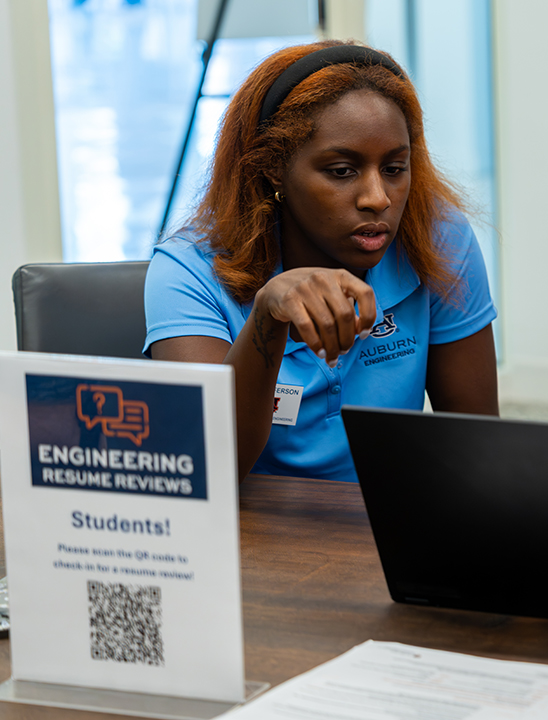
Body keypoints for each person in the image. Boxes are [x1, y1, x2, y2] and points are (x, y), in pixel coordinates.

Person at [144, 41, 497, 483]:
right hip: (250, 530)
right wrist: (267, 322)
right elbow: (206, 471)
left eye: (394, 168)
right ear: (274, 169)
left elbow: (476, 447)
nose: (377, 198)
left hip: (385, 523)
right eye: (341, 171)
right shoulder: (187, 269)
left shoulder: (436, 235)